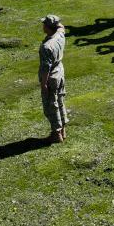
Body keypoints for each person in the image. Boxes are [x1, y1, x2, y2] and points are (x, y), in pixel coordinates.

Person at [38, 14, 67, 143]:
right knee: (60, 101)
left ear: (48, 27)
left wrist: (44, 84)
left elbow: (46, 68)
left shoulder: (47, 47)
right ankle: (63, 129)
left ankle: (56, 134)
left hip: (51, 77)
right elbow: (61, 27)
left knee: (51, 105)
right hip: (60, 72)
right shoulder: (60, 34)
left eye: (44, 24)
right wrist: (56, 23)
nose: (42, 26)